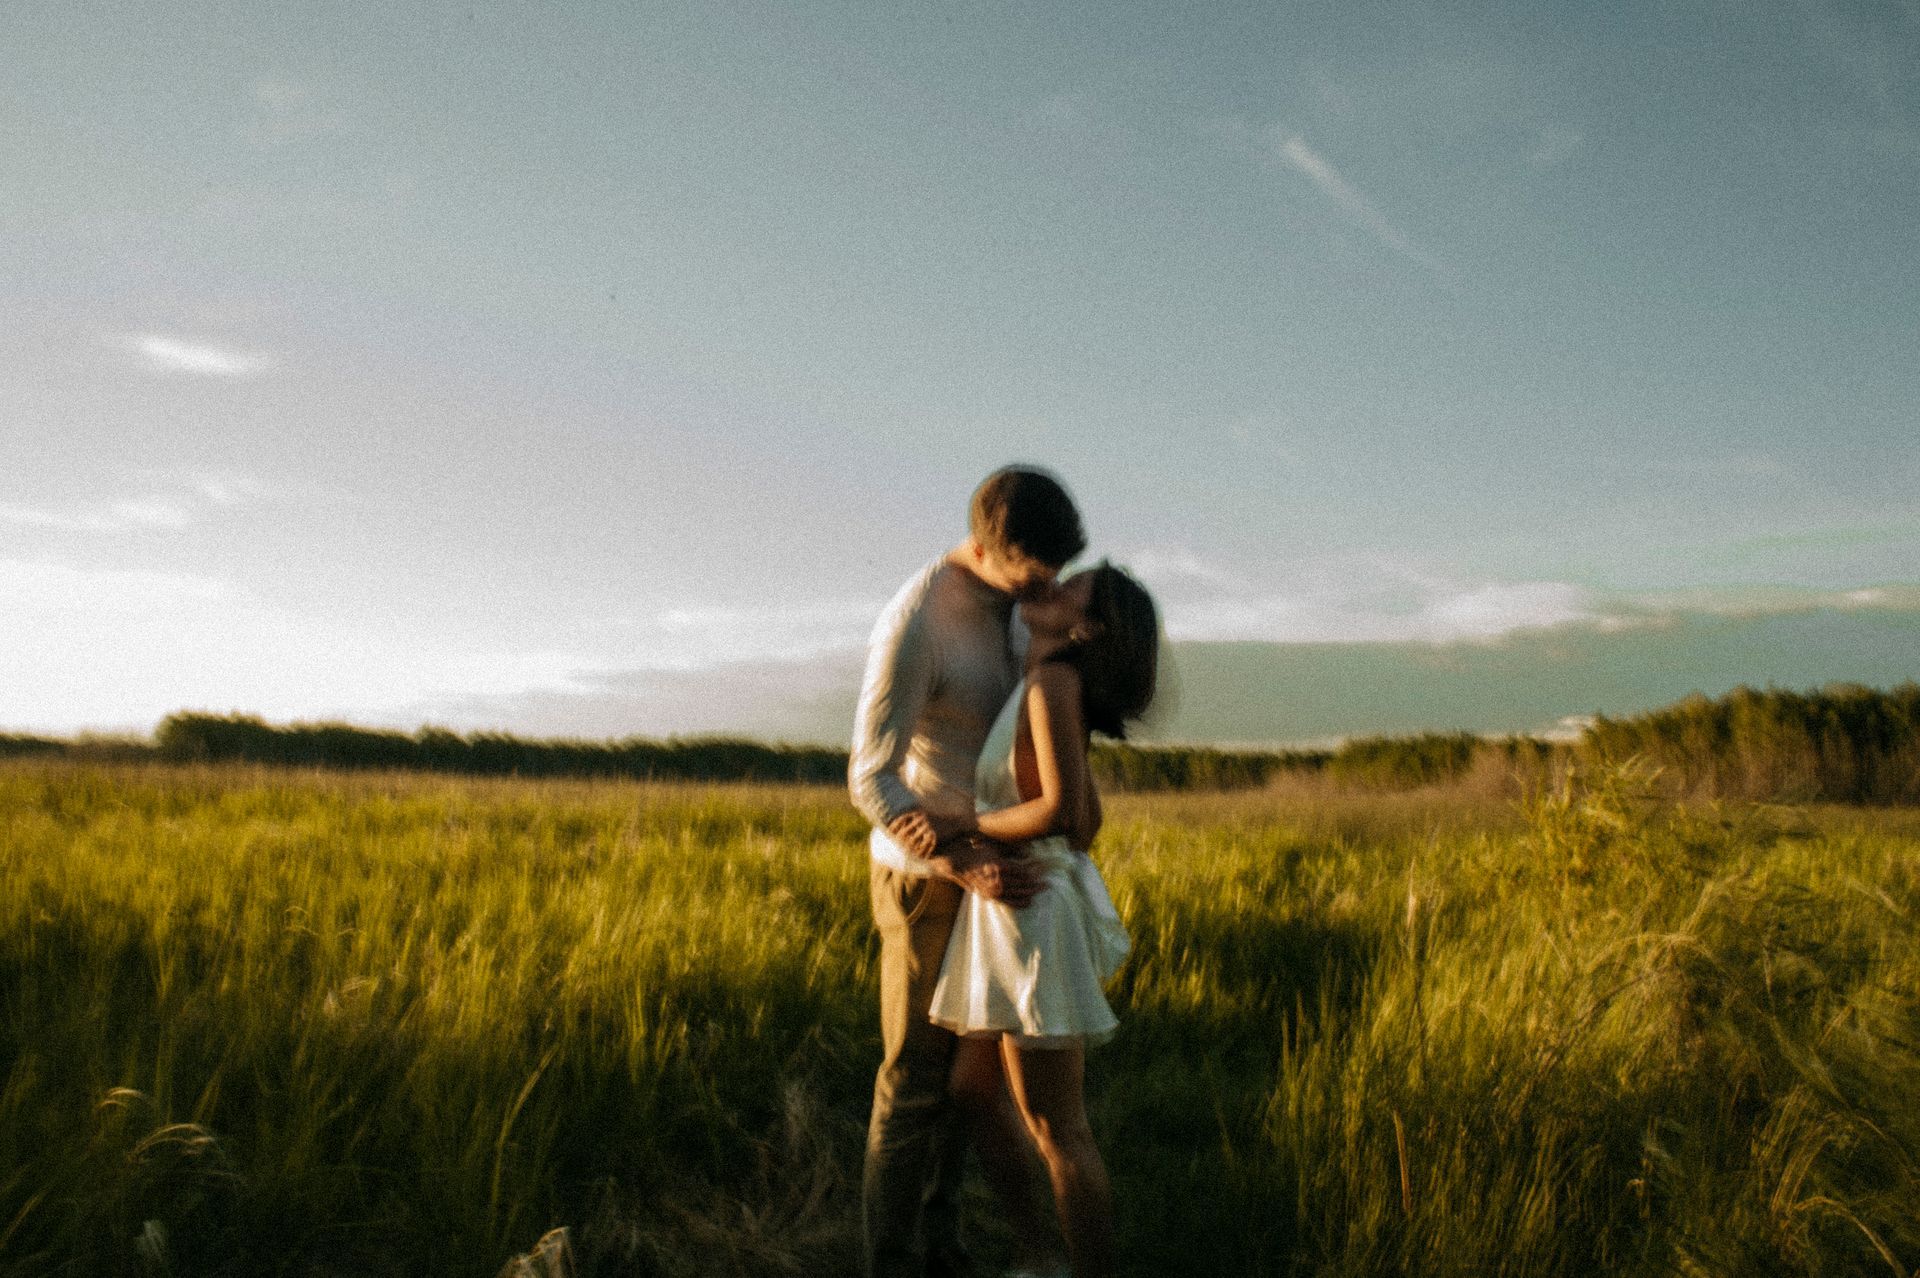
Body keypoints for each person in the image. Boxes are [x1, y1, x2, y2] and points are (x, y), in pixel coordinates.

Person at [850, 465, 1088, 1278]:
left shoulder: (1025, 610)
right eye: (1033, 573)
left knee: (965, 1087)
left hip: (995, 877)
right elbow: (868, 776)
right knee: (914, 1083)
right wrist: (960, 859)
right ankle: (892, 1261)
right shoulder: (919, 617)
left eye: (1058, 572)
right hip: (925, 883)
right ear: (986, 547)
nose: (1047, 588)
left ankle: (943, 1248)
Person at [926, 562, 1159, 1278]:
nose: (1051, 587)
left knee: (1058, 1124)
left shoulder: (1055, 681)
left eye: (1071, 589)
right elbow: (1085, 816)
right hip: (1007, 906)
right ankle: (1037, 1251)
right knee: (973, 1089)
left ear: (1088, 627)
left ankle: (1080, 1268)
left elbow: (1059, 813)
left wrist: (963, 825)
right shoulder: (1038, 683)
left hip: (1027, 907)